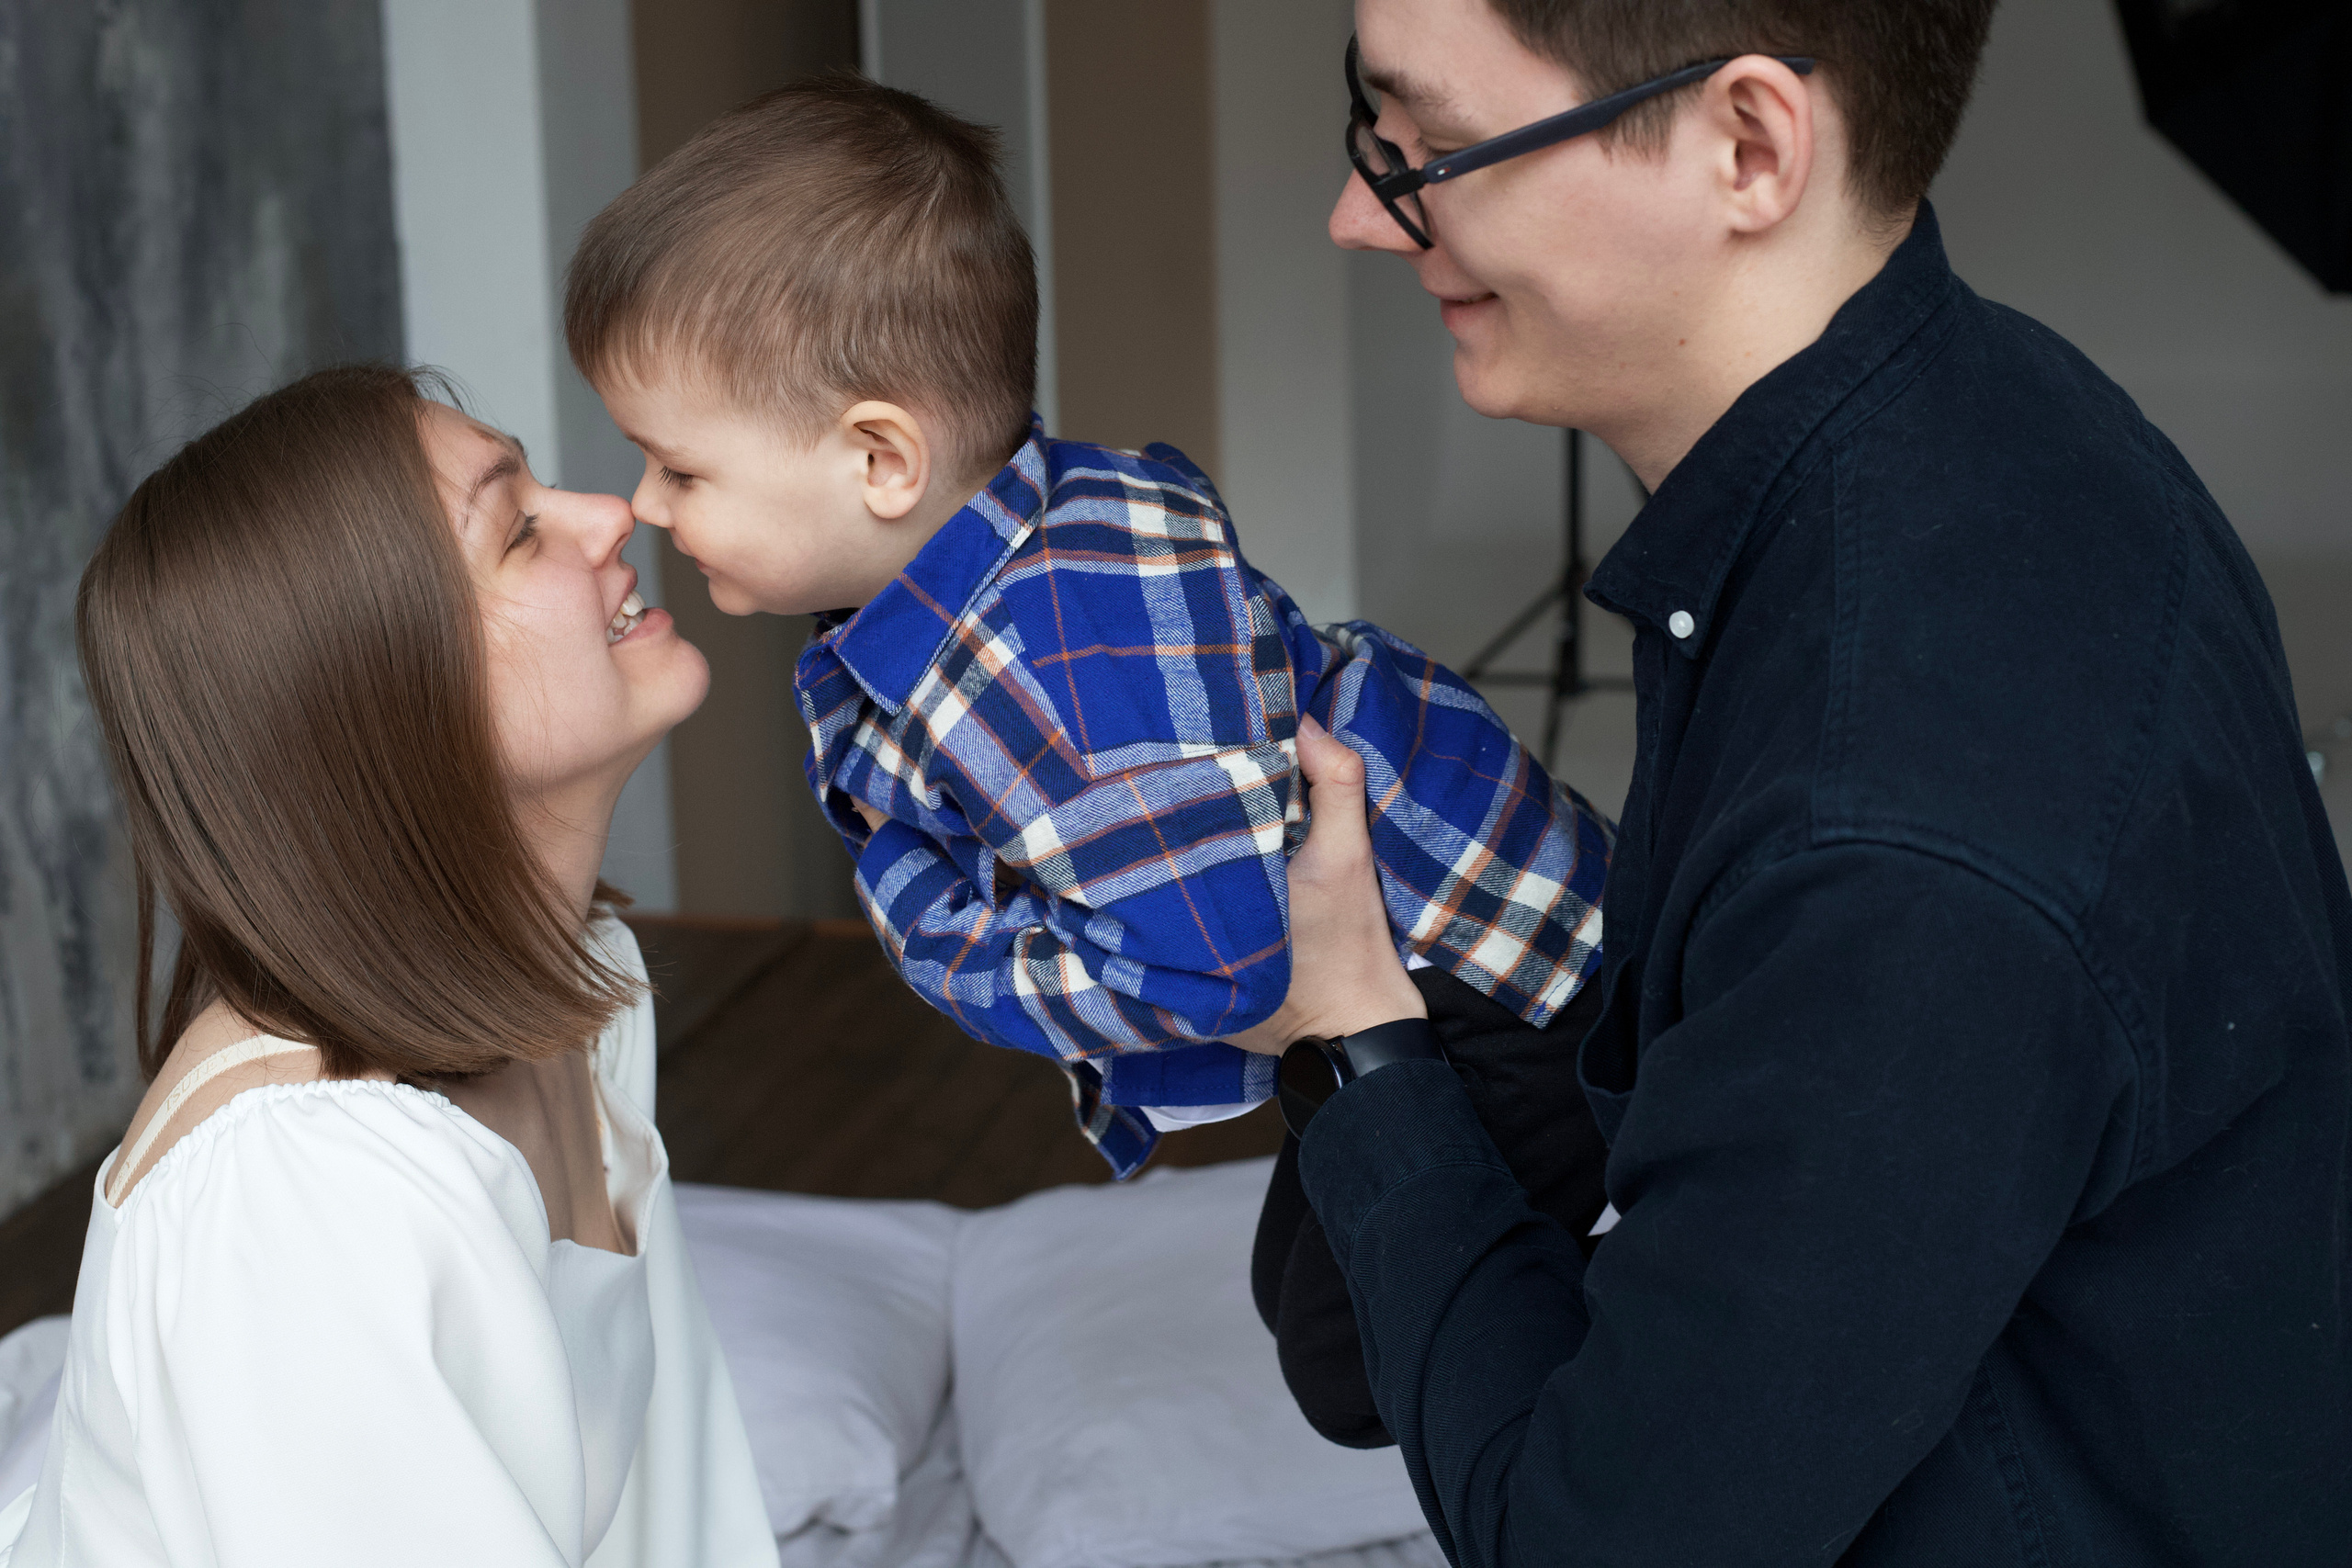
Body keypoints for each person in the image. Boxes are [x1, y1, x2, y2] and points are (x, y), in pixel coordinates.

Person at [1231, 1, 2352, 1564]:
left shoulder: (1899, 835)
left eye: (1434, 148)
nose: (1365, 213)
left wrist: (1350, 1031)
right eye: (1376, 136)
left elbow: (1592, 1545)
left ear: (1748, 146)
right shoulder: (1999, 417)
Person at [560, 78, 1616, 1443]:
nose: (642, 507)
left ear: (881, 458)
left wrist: (938, 941)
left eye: (679, 470)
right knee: (1299, 1279)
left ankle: (1681, 1350)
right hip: (1468, 925)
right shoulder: (1000, 550)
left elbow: (1217, 969)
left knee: (1355, 1356)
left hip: (1511, 991)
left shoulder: (1039, 669)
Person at [0, 367, 779, 1567]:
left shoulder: (582, 989)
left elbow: (670, 1515)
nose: (612, 514)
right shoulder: (301, 1190)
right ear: (374, 698)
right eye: (517, 530)